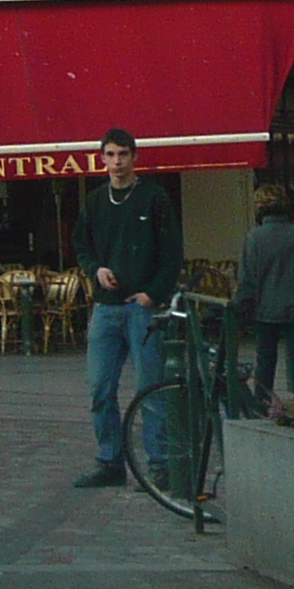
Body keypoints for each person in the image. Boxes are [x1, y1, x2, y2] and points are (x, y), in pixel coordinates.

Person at [72, 128, 183, 488]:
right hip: (106, 308)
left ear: (134, 157)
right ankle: (110, 461)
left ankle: (160, 463)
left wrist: (153, 293)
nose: (117, 162)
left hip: (141, 307)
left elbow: (172, 253)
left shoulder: (153, 198)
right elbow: (82, 246)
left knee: (149, 387)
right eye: (110, 155)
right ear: (101, 158)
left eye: (123, 154)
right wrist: (95, 270)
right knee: (100, 388)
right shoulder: (95, 202)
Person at [230, 184, 294, 399]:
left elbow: (247, 278)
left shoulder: (255, 237)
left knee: (266, 360)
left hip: (265, 308)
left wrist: (240, 308)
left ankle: (263, 402)